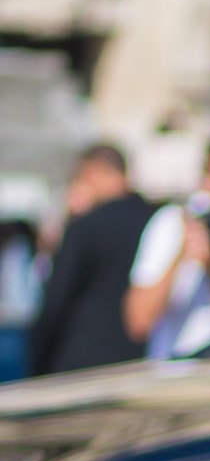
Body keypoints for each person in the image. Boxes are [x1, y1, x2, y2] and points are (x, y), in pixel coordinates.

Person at [124, 135, 210, 359]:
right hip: (175, 380)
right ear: (208, 183)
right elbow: (139, 322)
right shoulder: (175, 222)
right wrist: (181, 255)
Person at [28, 144, 154, 376]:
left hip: (80, 365)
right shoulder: (154, 222)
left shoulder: (86, 226)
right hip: (140, 361)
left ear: (95, 172)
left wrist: (37, 357)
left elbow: (57, 300)